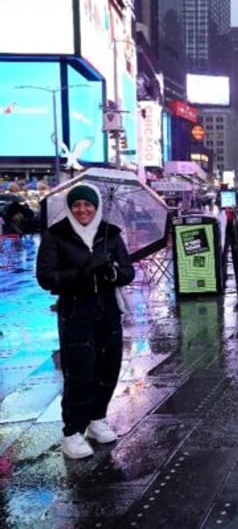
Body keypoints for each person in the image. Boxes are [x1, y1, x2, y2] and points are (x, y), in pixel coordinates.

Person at [36, 184, 135, 459]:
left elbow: (128, 271)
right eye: (77, 205)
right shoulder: (56, 236)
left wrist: (112, 271)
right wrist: (82, 272)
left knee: (109, 364)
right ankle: (73, 431)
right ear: (70, 207)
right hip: (76, 310)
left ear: (96, 206)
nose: (83, 210)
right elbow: (45, 277)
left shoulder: (110, 234)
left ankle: (97, 418)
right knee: (80, 368)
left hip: (107, 309)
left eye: (88, 205)